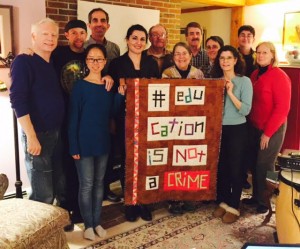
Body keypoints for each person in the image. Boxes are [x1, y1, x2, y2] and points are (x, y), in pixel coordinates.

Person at [9, 18, 65, 204]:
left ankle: (54, 229)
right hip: (38, 135)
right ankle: (40, 232)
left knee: (58, 185)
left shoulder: (52, 62)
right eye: (45, 34)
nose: (50, 38)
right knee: (43, 193)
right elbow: (17, 100)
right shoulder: (23, 61)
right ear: (33, 36)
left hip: (56, 133)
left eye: (53, 35)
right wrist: (31, 136)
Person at [108, 24, 160, 222]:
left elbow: (158, 90)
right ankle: (130, 202)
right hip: (125, 120)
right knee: (127, 161)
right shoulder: (117, 64)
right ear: (127, 40)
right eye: (134, 38)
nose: (138, 42)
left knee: (145, 163)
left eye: (141, 39)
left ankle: (144, 202)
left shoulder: (151, 63)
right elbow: (111, 92)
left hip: (148, 121)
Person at [68, 44, 114, 241]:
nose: (96, 62)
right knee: (86, 185)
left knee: (98, 184)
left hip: (103, 141)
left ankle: (97, 222)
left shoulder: (107, 86)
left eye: (99, 59)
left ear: (105, 61)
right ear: (86, 62)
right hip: (83, 143)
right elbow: (73, 119)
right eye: (91, 59)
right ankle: (88, 225)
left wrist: (119, 92)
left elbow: (114, 111)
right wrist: (73, 146)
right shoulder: (79, 87)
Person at [242, 41, 291, 214]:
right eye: (258, 52)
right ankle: (256, 197)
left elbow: (282, 109)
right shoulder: (255, 74)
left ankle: (267, 200)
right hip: (255, 127)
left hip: (273, 129)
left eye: (265, 52)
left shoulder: (279, 76)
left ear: (272, 54)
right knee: (255, 164)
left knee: (266, 164)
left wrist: (267, 134)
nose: (260, 55)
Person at [211, 45, 253, 223]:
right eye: (222, 58)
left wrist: (229, 92)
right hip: (219, 129)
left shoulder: (244, 81)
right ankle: (223, 201)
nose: (225, 61)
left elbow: (245, 110)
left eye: (229, 58)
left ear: (235, 60)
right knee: (221, 167)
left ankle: (234, 206)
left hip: (237, 129)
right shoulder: (214, 81)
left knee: (236, 168)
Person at [162, 42, 204, 214]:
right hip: (173, 122)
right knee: (173, 160)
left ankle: (188, 195)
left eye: (184, 53)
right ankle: (173, 199)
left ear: (190, 55)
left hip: (192, 122)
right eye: (177, 54)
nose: (181, 57)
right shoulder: (167, 73)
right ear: (173, 57)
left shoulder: (198, 74)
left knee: (189, 160)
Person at [86, 7, 121, 202]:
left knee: (107, 148)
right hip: (90, 106)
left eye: (103, 21)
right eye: (95, 20)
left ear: (107, 25)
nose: (99, 24)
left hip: (109, 105)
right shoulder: (83, 46)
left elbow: (116, 76)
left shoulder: (114, 48)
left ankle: (105, 187)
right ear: (90, 24)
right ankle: (88, 192)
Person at [237, 25, 257, 190]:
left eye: (249, 35)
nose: (245, 38)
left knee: (249, 145)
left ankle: (244, 175)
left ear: (253, 38)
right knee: (238, 145)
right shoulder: (233, 56)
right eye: (242, 35)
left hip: (253, 106)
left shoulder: (259, 58)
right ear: (238, 38)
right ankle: (238, 175)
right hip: (236, 105)